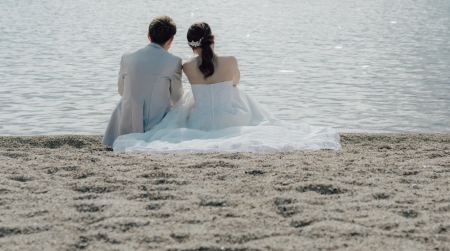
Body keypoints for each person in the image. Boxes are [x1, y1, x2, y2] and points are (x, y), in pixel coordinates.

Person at [112, 22, 340, 153]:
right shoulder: (231, 60)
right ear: (213, 39)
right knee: (238, 93)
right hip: (232, 120)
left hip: (199, 122)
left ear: (192, 46)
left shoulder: (187, 66)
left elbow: (178, 93)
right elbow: (234, 83)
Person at [102, 15, 183, 147]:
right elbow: (177, 97)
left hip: (126, 122)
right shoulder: (174, 61)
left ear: (148, 36)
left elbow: (121, 91)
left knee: (124, 101)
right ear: (170, 40)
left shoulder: (127, 58)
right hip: (155, 124)